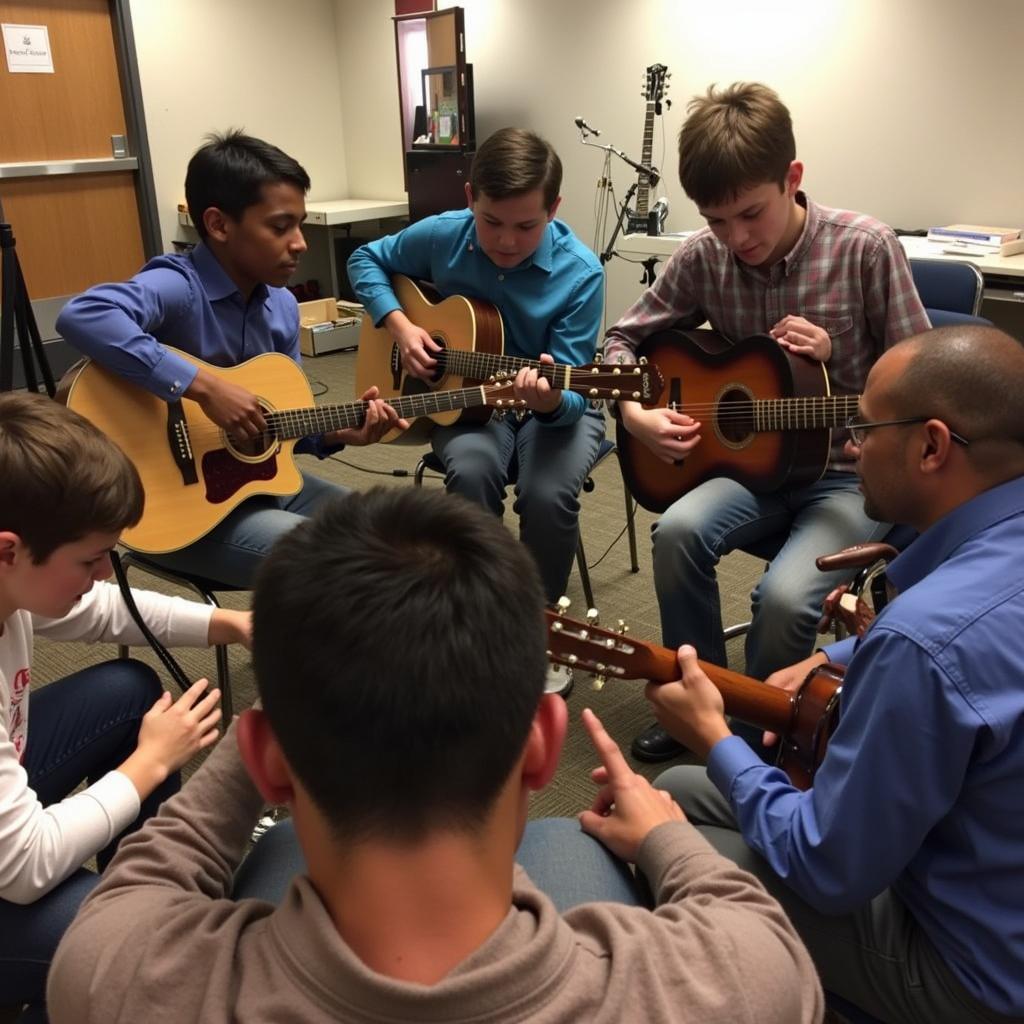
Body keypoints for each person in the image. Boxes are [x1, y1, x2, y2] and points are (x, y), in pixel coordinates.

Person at [47, 487, 824, 1024]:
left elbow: (146, 878)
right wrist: (664, 834)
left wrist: (284, 705)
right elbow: (749, 918)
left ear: (265, 760)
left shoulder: (115, 974)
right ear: (542, 747)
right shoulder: (729, 984)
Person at [649, 325, 1024, 1023]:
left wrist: (712, 735)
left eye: (864, 427)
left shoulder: (924, 640)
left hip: (974, 975)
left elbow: (826, 867)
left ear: (932, 445)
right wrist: (834, 655)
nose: (850, 446)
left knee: (662, 836)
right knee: (674, 790)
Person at [604, 82, 930, 762]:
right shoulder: (703, 255)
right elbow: (621, 342)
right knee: (677, 535)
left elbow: (928, 385)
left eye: (751, 214)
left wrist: (840, 360)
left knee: (782, 599)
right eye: (717, 221)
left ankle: (756, 740)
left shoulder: (864, 249)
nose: (737, 238)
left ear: (793, 178)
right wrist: (633, 412)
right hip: (748, 468)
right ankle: (696, 697)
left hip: (846, 474)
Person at [56, 130, 405, 589]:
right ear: (219, 225)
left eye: (300, 224)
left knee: (398, 536)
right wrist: (204, 387)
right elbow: (83, 314)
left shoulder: (280, 307)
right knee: (332, 561)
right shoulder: (178, 288)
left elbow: (272, 432)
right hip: (176, 509)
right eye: (281, 227)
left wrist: (342, 433)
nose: (299, 243)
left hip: (254, 487)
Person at [0, 391, 251, 1018]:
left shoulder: (13, 581)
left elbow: (104, 611)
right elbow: (24, 866)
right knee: (132, 947)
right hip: (11, 863)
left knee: (130, 692)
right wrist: (147, 765)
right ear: (7, 549)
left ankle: (139, 892)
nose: (107, 572)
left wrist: (237, 624)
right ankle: (116, 959)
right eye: (91, 559)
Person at [347, 127, 606, 615]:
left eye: (527, 226)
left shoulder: (582, 273)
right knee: (470, 472)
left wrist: (549, 400)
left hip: (553, 410)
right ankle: (477, 618)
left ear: (554, 209)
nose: (507, 241)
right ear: (470, 198)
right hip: (467, 404)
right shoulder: (444, 234)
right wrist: (400, 325)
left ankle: (541, 629)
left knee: (548, 497)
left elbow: (574, 393)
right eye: (491, 222)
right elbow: (365, 258)